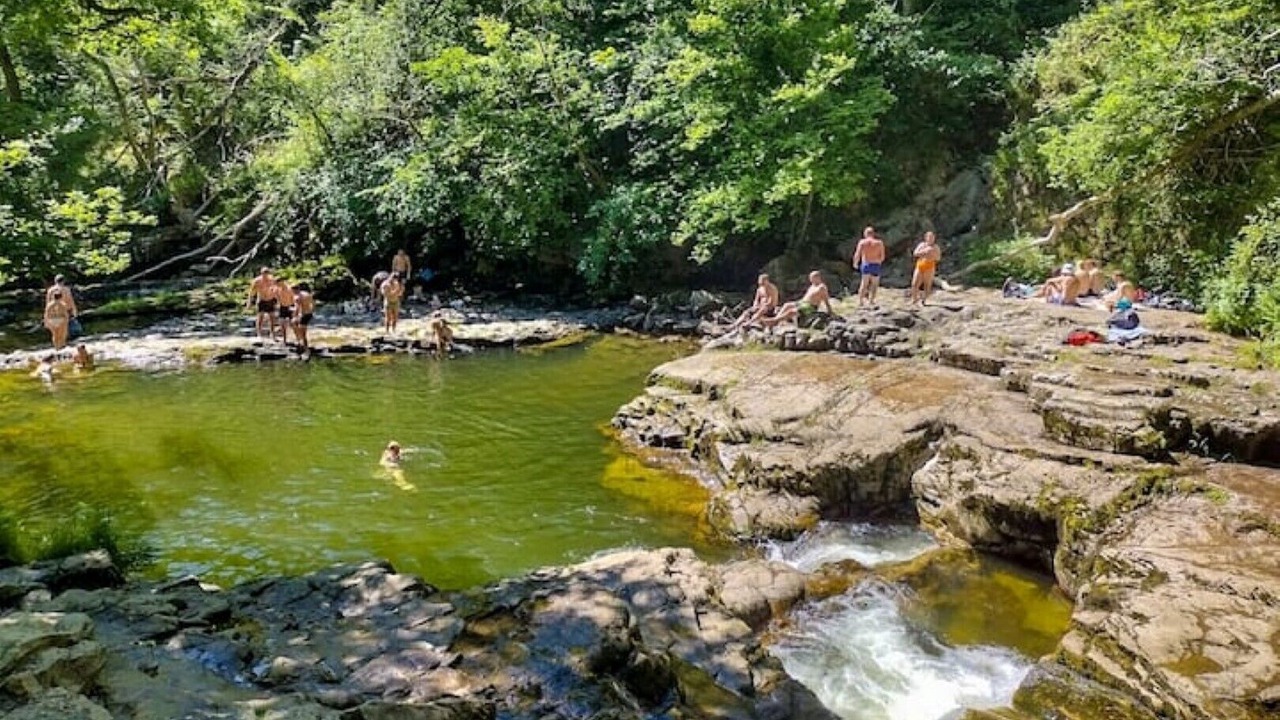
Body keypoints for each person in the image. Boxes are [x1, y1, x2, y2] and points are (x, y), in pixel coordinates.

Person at [763, 270, 833, 327]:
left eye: (812, 278)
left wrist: (830, 311)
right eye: (810, 278)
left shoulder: (822, 287)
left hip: (810, 307)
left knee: (792, 311)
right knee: (787, 305)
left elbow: (826, 299)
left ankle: (774, 321)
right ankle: (776, 320)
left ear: (818, 277)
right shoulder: (812, 286)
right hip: (802, 303)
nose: (810, 280)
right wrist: (799, 302)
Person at [851, 226, 886, 307]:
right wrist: (879, 261)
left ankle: (860, 301)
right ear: (873, 234)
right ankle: (871, 301)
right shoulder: (879, 243)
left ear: (865, 234)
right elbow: (882, 256)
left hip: (866, 264)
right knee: (874, 284)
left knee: (864, 283)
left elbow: (857, 254)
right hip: (876, 264)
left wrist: (855, 263)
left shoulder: (862, 242)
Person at [246, 267, 279, 341]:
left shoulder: (272, 280)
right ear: (261, 273)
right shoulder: (257, 281)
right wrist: (249, 302)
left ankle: (272, 334)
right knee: (260, 316)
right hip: (261, 300)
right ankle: (259, 334)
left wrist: (278, 300)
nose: (265, 275)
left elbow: (277, 289)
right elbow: (251, 293)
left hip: (271, 299)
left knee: (272, 317)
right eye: (264, 273)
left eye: (267, 273)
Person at [910, 231, 942, 305]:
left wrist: (932, 254)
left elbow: (938, 258)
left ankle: (924, 300)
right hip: (920, 265)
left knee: (927, 285)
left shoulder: (936, 247)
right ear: (926, 238)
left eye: (932, 237)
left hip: (929, 267)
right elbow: (915, 253)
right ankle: (914, 299)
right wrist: (924, 252)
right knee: (914, 283)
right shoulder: (922, 245)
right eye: (929, 237)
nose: (931, 239)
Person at [294, 283, 316, 352]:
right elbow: (313, 303)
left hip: (304, 315)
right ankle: (302, 344)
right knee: (297, 326)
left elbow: (298, 308)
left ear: (295, 290)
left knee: (302, 332)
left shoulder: (298, 297)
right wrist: (312, 310)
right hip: (309, 314)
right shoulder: (307, 293)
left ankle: (305, 348)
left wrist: (296, 316)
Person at [275, 277, 296, 345]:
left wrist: (295, 308)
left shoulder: (289, 288)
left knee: (292, 324)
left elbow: (294, 298)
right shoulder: (277, 289)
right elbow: (277, 298)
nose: (277, 285)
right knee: (282, 324)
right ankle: (284, 340)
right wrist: (278, 305)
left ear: (282, 281)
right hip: (282, 307)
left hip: (290, 306)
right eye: (276, 284)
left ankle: (298, 338)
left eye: (278, 283)